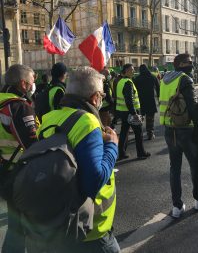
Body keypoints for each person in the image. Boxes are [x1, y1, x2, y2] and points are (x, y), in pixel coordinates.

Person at [35, 66, 120, 252]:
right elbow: (93, 181)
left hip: (59, 217)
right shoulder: (88, 121)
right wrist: (112, 145)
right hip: (91, 228)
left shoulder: (49, 118)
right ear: (95, 97)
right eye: (102, 96)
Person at [0, 64, 38, 253]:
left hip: (4, 169)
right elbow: (32, 145)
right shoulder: (18, 107)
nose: (33, 85)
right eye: (32, 81)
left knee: (16, 223)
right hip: (19, 173)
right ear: (23, 84)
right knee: (26, 225)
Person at [159, 53, 198, 218]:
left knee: (174, 168)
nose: (191, 64)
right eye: (189, 62)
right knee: (196, 166)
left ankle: (177, 207)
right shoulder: (185, 79)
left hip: (170, 130)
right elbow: (193, 109)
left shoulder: (165, 78)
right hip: (187, 130)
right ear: (181, 64)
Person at [116, 63, 151, 160]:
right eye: (132, 69)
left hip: (123, 112)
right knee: (138, 132)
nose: (134, 71)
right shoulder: (128, 82)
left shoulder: (120, 81)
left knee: (124, 132)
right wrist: (134, 113)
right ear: (126, 71)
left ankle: (122, 153)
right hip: (130, 112)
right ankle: (141, 153)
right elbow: (129, 99)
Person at [134, 64, 160, 140]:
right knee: (150, 119)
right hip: (151, 100)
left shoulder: (137, 78)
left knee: (140, 118)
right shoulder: (153, 77)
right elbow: (158, 87)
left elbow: (133, 89)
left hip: (140, 101)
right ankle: (150, 134)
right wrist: (158, 97)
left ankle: (139, 134)